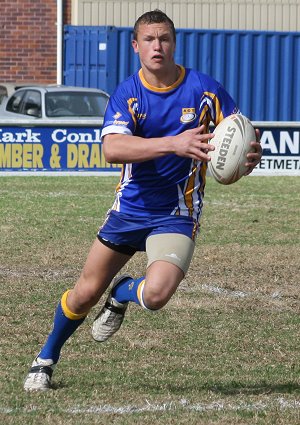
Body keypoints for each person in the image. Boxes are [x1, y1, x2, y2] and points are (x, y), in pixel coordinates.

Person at [24, 9, 262, 391]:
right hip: (129, 210)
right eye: (149, 39)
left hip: (176, 213)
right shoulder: (129, 93)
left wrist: (250, 158)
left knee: (155, 295)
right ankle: (46, 358)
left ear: (174, 43)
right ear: (136, 46)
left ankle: (122, 292)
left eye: (164, 38)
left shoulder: (205, 90)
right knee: (84, 295)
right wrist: (174, 143)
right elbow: (112, 149)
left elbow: (237, 139)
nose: (157, 46)